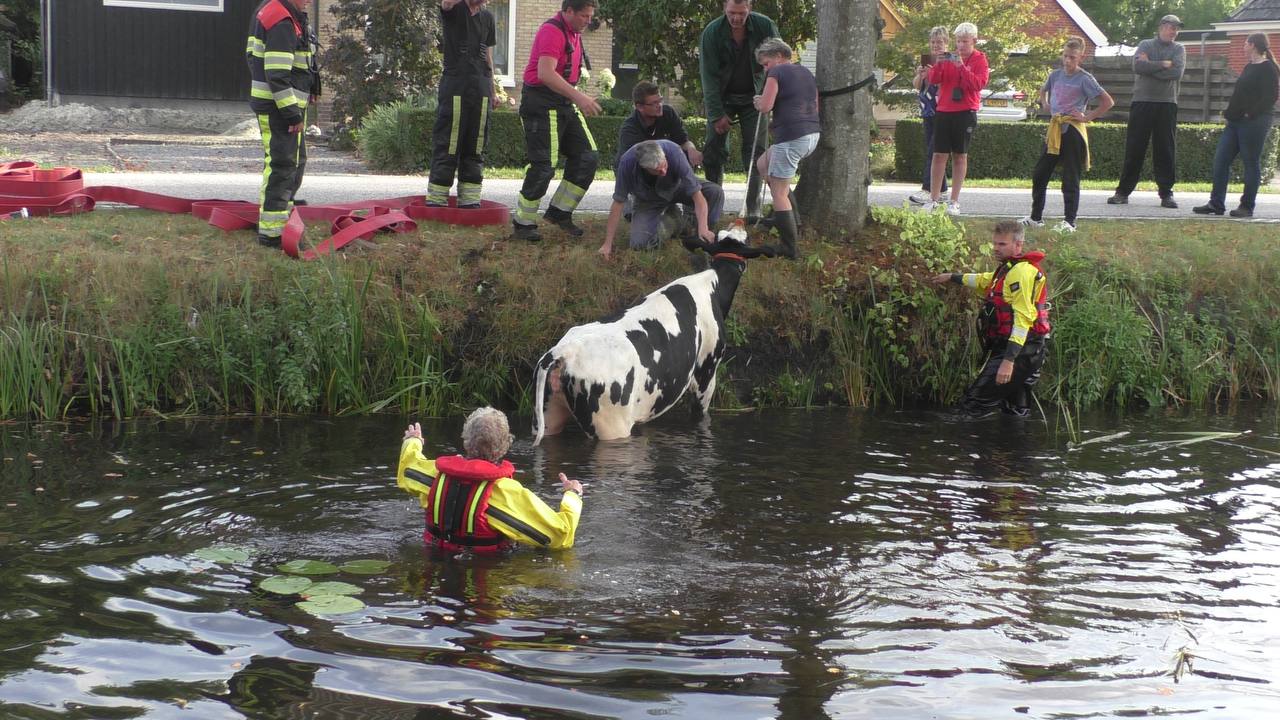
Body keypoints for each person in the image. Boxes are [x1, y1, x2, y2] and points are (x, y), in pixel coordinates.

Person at [397, 408, 584, 552]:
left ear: (465, 440)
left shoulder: (434, 474)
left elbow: (408, 468)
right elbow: (561, 536)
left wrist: (413, 441)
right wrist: (573, 495)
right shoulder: (506, 492)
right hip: (483, 584)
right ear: (504, 446)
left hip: (433, 572)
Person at [930, 220, 1051, 418]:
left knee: (972, 405)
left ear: (1018, 245)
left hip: (1020, 350)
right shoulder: (1009, 268)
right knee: (1014, 411)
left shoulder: (1020, 273)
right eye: (995, 243)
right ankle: (1013, 448)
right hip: (1028, 350)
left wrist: (1008, 361)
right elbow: (984, 280)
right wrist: (953, 276)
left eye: (1002, 244)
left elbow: (1023, 320)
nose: (996, 248)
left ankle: (959, 447)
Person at [512, 0, 602, 242]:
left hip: (563, 101)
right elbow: (545, 73)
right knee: (544, 165)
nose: (588, 21)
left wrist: (575, 97)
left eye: (590, 16)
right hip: (541, 103)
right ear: (568, 11)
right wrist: (580, 97)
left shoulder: (574, 32)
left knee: (587, 156)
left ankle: (559, 213)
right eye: (584, 16)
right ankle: (523, 224)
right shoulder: (552, 31)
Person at [1019, 36, 1114, 233]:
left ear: (1080, 57)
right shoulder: (1055, 75)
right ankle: (1036, 217)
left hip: (1072, 130)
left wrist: (1087, 117)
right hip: (1055, 130)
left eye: (1072, 57)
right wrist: (1045, 104)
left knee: (1070, 177)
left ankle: (1070, 222)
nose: (1068, 61)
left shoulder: (1085, 78)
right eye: (1065, 56)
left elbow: (1107, 102)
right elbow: (1043, 90)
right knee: (1040, 173)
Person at [246, 0, 320, 248]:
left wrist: (313, 88)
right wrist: (291, 113)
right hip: (280, 108)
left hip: (286, 105)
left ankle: (284, 212)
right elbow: (277, 74)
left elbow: (303, 59)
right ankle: (272, 232)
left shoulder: (285, 13)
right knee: (281, 164)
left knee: (295, 161)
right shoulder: (281, 19)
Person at [698, 0, 779, 221]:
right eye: (732, 13)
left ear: (750, 9)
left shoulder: (765, 26)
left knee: (756, 152)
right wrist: (716, 114)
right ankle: (713, 205)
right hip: (722, 98)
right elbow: (708, 76)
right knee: (714, 149)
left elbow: (778, 63)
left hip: (756, 96)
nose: (736, 18)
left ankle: (752, 209)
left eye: (741, 13)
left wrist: (771, 99)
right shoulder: (712, 33)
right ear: (724, 8)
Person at [1193, 33, 1280, 219]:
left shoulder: (1269, 68)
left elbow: (1270, 97)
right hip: (1235, 122)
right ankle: (1216, 203)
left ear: (1253, 45)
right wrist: (1230, 114)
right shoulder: (1249, 66)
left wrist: (1250, 114)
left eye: (1245, 43)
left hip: (1255, 122)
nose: (1243, 46)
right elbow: (1241, 95)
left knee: (1250, 162)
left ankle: (1246, 206)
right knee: (1221, 160)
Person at [1108, 14, 1185, 209]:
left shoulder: (1179, 49)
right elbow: (1138, 66)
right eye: (1171, 27)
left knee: (1165, 149)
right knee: (1135, 148)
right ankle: (1122, 192)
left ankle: (1166, 194)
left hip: (1167, 103)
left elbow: (1176, 73)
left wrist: (1151, 66)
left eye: (1176, 29)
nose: (1174, 31)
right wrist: (1163, 64)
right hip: (1142, 102)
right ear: (1161, 27)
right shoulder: (1145, 44)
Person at [751, 38, 818, 260]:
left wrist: (758, 101)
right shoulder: (806, 73)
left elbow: (766, 106)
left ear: (779, 56)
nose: (765, 68)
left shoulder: (777, 73)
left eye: (766, 63)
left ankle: (790, 248)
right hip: (811, 135)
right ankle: (790, 218)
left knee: (779, 192)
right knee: (763, 164)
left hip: (791, 138)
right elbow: (813, 104)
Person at [426, 0, 497, 209]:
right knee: (449, 142)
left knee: (476, 144)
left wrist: (492, 90)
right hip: (456, 86)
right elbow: (446, 3)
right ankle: (437, 200)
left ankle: (470, 200)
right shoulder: (454, 9)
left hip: (481, 88)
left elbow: (488, 58)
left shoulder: (488, 18)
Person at [597, 139, 721, 258]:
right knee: (639, 244)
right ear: (644, 167)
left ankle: (700, 236)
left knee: (714, 191)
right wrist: (607, 244)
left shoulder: (674, 151)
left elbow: (697, 196)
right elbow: (618, 203)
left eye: (665, 165)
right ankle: (674, 221)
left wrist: (703, 227)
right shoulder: (626, 163)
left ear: (664, 155)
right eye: (658, 171)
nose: (663, 172)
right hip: (648, 199)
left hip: (677, 187)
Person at [921, 22, 988, 216]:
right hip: (944, 110)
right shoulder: (948, 56)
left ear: (974, 41)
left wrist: (961, 67)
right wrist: (939, 64)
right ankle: (933, 199)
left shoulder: (980, 60)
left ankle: (954, 201)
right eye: (958, 41)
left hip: (965, 111)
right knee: (938, 155)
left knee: (960, 155)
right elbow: (933, 80)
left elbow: (977, 84)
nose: (960, 46)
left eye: (965, 42)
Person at [909, 26, 950, 205]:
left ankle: (927, 188)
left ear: (946, 43)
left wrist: (934, 74)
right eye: (933, 42)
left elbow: (946, 86)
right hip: (927, 111)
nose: (936, 45)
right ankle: (941, 190)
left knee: (933, 151)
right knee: (934, 150)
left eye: (939, 42)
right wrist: (921, 74)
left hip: (943, 111)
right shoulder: (926, 62)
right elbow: (917, 86)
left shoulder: (949, 61)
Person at [617, 81, 702, 166]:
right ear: (640, 107)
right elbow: (640, 161)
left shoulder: (668, 113)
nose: (660, 105)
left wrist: (691, 149)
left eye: (660, 100)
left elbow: (683, 141)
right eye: (654, 103)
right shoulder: (630, 129)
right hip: (634, 171)